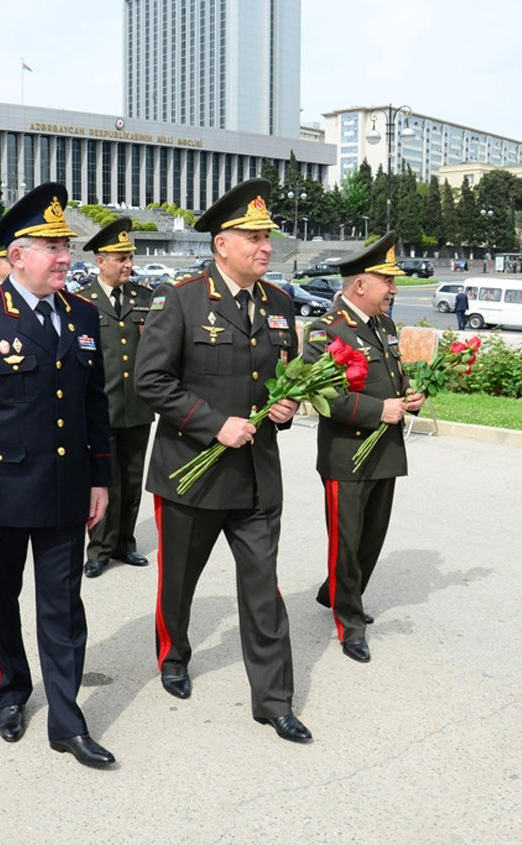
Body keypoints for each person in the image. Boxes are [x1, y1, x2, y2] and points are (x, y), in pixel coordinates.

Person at [0, 183, 115, 768]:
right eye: (52, 247)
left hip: (65, 491)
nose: (66, 257)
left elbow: (95, 407)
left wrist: (99, 479)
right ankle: (12, 691)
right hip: (0, 498)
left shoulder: (82, 315)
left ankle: (66, 719)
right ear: (15, 257)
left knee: (62, 606)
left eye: (67, 246)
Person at [134, 178, 312, 744]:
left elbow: (284, 378)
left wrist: (286, 406)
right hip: (192, 473)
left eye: (268, 237)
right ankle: (174, 655)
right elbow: (150, 380)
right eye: (254, 237)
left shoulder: (280, 304)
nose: (266, 247)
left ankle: (274, 700)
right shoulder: (182, 300)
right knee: (179, 583)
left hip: (257, 478)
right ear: (221, 244)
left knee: (264, 589)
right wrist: (214, 422)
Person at [304, 232, 426, 663]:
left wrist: (411, 395)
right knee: (347, 541)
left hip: (385, 451)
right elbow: (325, 398)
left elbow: (396, 376)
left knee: (371, 538)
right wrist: (380, 410)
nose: (394, 289)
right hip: (347, 455)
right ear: (360, 285)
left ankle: (335, 591)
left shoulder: (385, 326)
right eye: (387, 281)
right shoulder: (326, 330)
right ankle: (349, 621)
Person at [79, 217, 154, 579]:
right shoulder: (82, 301)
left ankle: (125, 541)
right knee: (102, 481)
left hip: (137, 407)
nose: (128, 265)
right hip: (99, 410)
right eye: (120, 258)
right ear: (100, 261)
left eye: (130, 258)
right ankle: (99, 548)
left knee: (131, 478)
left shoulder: (145, 298)